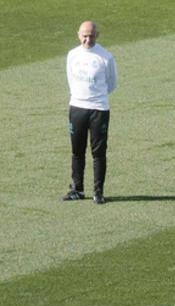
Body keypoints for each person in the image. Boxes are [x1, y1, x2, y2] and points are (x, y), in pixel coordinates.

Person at [63, 20, 117, 204]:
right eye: (84, 36)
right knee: (77, 150)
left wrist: (95, 97)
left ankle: (98, 192)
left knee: (98, 152)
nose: (87, 40)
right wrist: (80, 97)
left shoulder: (105, 57)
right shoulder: (72, 55)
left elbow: (112, 83)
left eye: (91, 36)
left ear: (97, 35)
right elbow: (71, 79)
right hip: (77, 107)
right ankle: (77, 189)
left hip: (98, 109)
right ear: (78, 35)